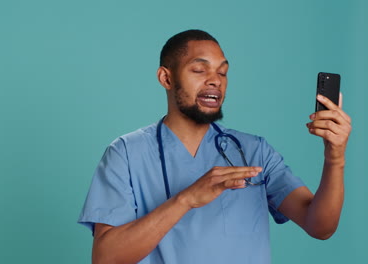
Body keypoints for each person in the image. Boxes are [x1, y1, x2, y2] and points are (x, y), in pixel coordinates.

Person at [77, 29, 352, 264]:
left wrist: (335, 157)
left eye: (223, 72)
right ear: (166, 78)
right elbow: (106, 257)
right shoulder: (126, 153)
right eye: (199, 70)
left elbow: (321, 226)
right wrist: (186, 199)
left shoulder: (254, 151)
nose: (215, 80)